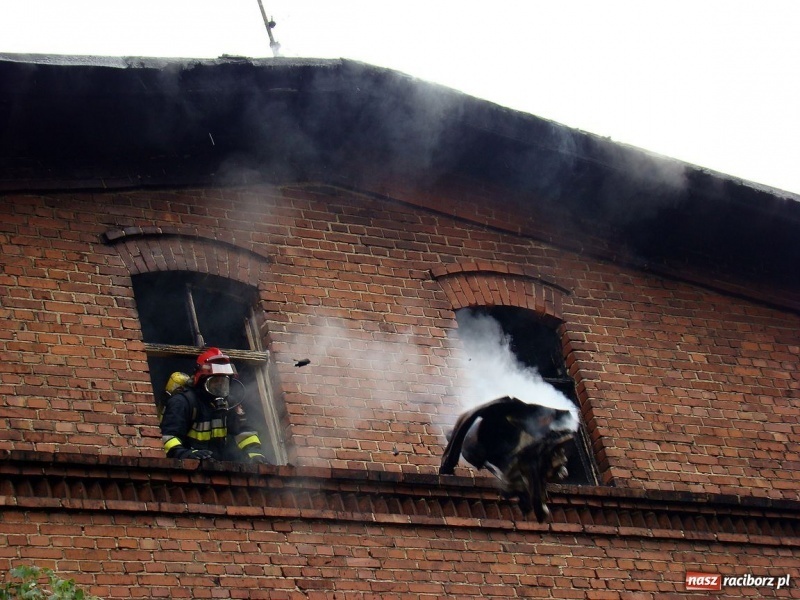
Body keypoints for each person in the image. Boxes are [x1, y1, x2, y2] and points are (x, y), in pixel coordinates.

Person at [159, 347, 271, 464]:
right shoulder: (183, 402)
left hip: (218, 469)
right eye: (214, 382)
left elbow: (244, 433)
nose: (219, 387)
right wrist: (186, 455)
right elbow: (167, 438)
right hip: (187, 471)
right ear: (201, 381)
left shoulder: (230, 404)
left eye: (223, 383)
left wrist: (255, 455)